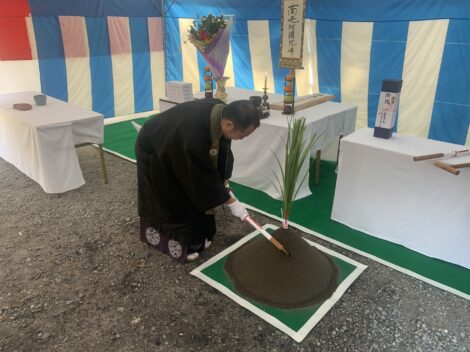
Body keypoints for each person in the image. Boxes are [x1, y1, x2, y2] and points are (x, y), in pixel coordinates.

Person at [135, 98, 260, 263]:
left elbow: (218, 155)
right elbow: (200, 175)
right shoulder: (193, 137)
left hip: (178, 143)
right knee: (174, 194)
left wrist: (222, 180)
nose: (242, 138)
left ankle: (200, 236)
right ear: (229, 125)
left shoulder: (220, 112)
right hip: (155, 148)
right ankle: (178, 244)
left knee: (199, 194)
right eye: (243, 135)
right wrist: (231, 202)